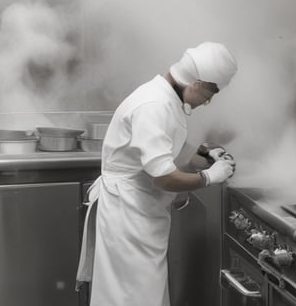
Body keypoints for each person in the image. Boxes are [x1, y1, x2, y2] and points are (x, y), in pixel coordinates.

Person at [76, 42, 238, 306]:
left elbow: (166, 148)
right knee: (132, 298)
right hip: (127, 217)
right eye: (210, 93)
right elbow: (163, 177)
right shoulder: (154, 105)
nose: (208, 102)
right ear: (197, 83)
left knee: (143, 295)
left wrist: (206, 157)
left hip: (139, 214)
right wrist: (210, 177)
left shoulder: (166, 97)